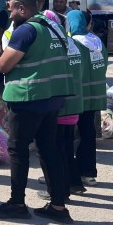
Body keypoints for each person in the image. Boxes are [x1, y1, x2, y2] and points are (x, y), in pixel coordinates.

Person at [0, 0, 74, 224]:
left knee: (18, 150)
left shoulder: (25, 30)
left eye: (11, 9)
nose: (9, 14)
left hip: (28, 98)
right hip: (52, 98)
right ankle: (58, 206)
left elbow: (3, 66)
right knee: (48, 149)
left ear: (22, 9)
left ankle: (17, 204)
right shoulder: (53, 27)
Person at [37, 10, 85, 203]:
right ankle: (74, 183)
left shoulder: (54, 45)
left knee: (55, 149)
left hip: (59, 104)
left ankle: (58, 189)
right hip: (74, 103)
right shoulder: (73, 43)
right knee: (66, 147)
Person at [69, 10, 108, 188]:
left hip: (78, 97)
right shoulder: (96, 41)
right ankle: (89, 173)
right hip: (95, 95)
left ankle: (70, 174)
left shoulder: (74, 44)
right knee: (88, 133)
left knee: (72, 136)